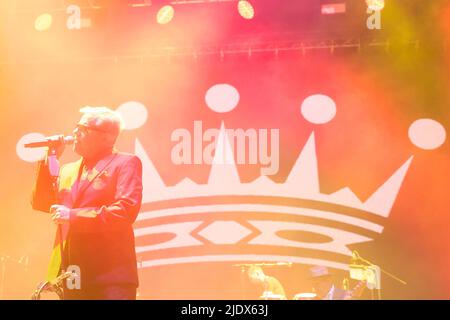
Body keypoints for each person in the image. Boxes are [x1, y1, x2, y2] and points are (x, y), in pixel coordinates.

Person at [31, 106, 143, 300]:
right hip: (73, 274)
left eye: (84, 128)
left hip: (110, 276)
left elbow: (125, 211)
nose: (75, 132)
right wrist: (49, 159)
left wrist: (72, 216)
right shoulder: (68, 170)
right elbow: (42, 202)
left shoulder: (125, 163)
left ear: (108, 137)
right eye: (76, 126)